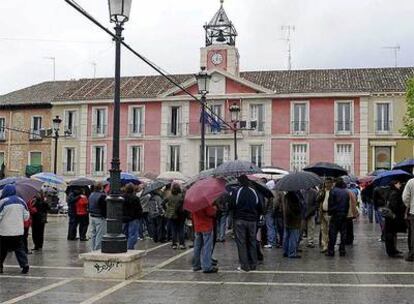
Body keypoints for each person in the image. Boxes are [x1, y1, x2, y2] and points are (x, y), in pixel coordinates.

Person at [230, 175, 263, 271]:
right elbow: (260, 206)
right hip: (252, 220)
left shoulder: (237, 192)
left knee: (241, 242)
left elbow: (232, 205)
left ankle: (244, 265)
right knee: (252, 241)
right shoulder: (254, 192)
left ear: (239, 182)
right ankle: (253, 263)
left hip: (240, 220)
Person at [0, 184, 30, 274]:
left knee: (2, 250)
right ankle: (24, 265)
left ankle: (0, 267)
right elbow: (26, 217)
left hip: (4, 231)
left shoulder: (3, 202)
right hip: (18, 231)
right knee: (19, 249)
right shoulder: (21, 201)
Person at [326, 177, 350, 257]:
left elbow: (330, 204)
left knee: (332, 234)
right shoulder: (346, 192)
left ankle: (331, 251)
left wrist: (330, 212)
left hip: (335, 215)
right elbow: (347, 205)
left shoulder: (333, 191)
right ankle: (342, 250)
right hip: (343, 215)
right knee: (343, 234)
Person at [192, 204, 218, 273]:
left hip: (197, 226)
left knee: (197, 246)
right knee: (207, 247)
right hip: (206, 226)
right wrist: (214, 209)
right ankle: (207, 266)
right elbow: (210, 212)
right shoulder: (205, 202)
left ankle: (196, 265)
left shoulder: (193, 202)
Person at [384, 180, 406, 257]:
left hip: (389, 216)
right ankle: (392, 252)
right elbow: (394, 206)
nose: (400, 185)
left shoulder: (390, 192)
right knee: (391, 234)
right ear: (394, 184)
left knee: (391, 234)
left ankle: (393, 250)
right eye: (398, 183)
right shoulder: (394, 193)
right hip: (392, 217)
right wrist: (403, 206)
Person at [164, 183, 186, 249]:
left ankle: (174, 244)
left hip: (172, 215)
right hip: (181, 215)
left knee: (174, 230)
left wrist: (167, 209)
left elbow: (162, 203)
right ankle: (181, 244)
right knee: (181, 229)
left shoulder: (169, 196)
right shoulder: (181, 196)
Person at [122, 183, 143, 250]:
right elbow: (139, 209)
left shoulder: (122, 197)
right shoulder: (135, 198)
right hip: (133, 218)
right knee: (133, 234)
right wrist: (139, 216)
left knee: (125, 234)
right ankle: (130, 248)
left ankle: (125, 247)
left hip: (124, 218)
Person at [283, 191, 303, 258]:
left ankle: (286, 251)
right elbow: (296, 208)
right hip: (294, 220)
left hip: (287, 219)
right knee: (293, 237)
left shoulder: (286, 196)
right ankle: (292, 253)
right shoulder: (294, 196)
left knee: (287, 237)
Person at [317, 178, 334, 253]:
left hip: (330, 213)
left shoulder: (333, 192)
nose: (327, 184)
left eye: (328, 183)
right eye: (326, 183)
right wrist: (321, 193)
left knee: (330, 230)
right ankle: (325, 245)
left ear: (331, 183)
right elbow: (317, 200)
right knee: (323, 230)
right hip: (322, 212)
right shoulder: (322, 191)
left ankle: (330, 245)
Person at [88, 183, 107, 251]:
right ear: (101, 188)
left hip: (92, 216)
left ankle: (92, 249)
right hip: (100, 217)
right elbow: (104, 208)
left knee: (93, 234)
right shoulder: (102, 196)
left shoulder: (91, 195)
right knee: (100, 234)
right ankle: (98, 249)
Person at [402, 177, 414, 262]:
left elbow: (405, 197)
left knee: (413, 234)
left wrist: (409, 205)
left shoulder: (411, 182)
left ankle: (412, 254)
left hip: (413, 212)